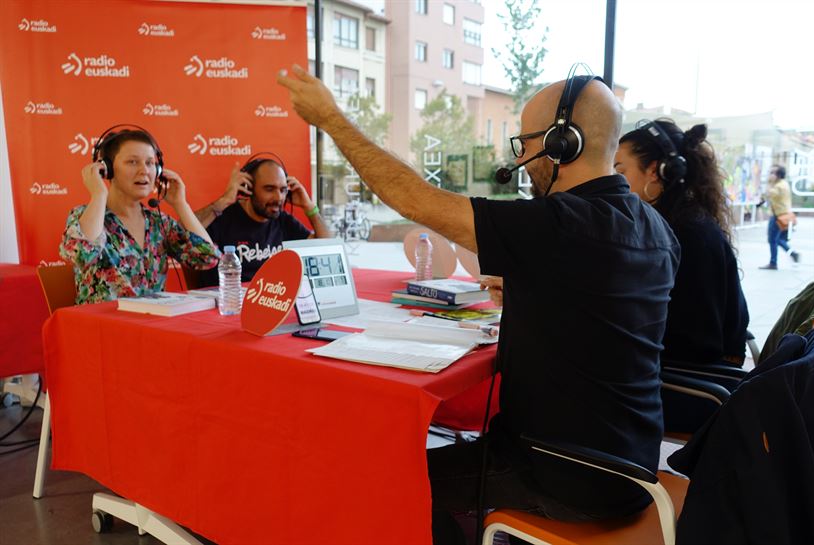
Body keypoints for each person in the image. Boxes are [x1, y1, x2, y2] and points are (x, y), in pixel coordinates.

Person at [278, 65, 680, 543]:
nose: (523, 158)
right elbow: (604, 306)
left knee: (383, 478)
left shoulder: (559, 224)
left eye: (526, 144)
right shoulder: (656, 229)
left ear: (562, 143)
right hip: (630, 467)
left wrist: (331, 119)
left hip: (563, 470)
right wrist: (536, 290)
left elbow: (413, 199)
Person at [615, 119, 750, 367]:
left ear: (656, 171)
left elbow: (694, 343)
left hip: (687, 377)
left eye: (620, 172)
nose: (615, 182)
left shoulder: (686, 233)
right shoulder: (683, 219)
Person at [60, 128, 219, 305]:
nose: (144, 171)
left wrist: (181, 204)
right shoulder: (83, 215)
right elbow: (81, 256)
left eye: (150, 163)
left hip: (152, 320)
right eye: (132, 162)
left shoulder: (159, 222)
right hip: (102, 321)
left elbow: (208, 258)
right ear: (107, 170)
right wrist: (99, 194)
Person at [194, 156, 330, 285]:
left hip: (271, 297)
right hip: (230, 298)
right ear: (248, 188)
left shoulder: (283, 220)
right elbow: (183, 236)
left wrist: (310, 207)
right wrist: (223, 201)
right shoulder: (221, 217)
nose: (278, 197)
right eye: (269, 189)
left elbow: (328, 249)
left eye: (283, 190)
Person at [759, 164, 799, 270]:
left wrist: (769, 183)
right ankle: (793, 254)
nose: (770, 175)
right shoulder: (784, 184)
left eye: (772, 173)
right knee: (779, 240)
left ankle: (773, 263)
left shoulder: (778, 186)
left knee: (772, 239)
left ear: (778, 175)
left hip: (778, 217)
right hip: (784, 216)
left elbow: (767, 194)